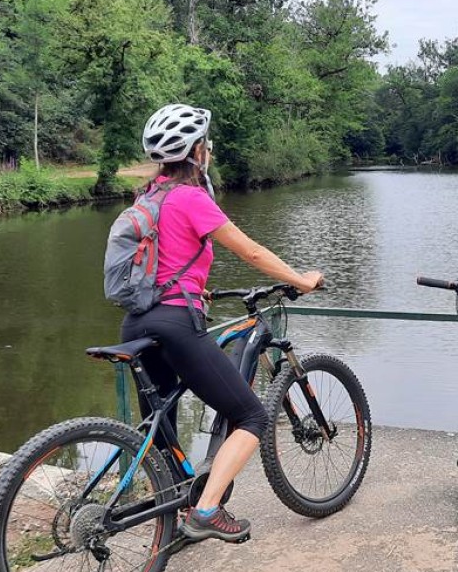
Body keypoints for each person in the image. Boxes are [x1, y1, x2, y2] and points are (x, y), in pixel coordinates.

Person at [122, 103, 323, 542]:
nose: (208, 150)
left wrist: (198, 289)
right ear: (197, 152)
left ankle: (171, 520)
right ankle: (206, 511)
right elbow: (250, 251)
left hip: (136, 323)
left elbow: (160, 262)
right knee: (252, 416)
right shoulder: (191, 197)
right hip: (175, 324)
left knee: (163, 426)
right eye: (206, 144)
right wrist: (301, 280)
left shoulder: (147, 198)